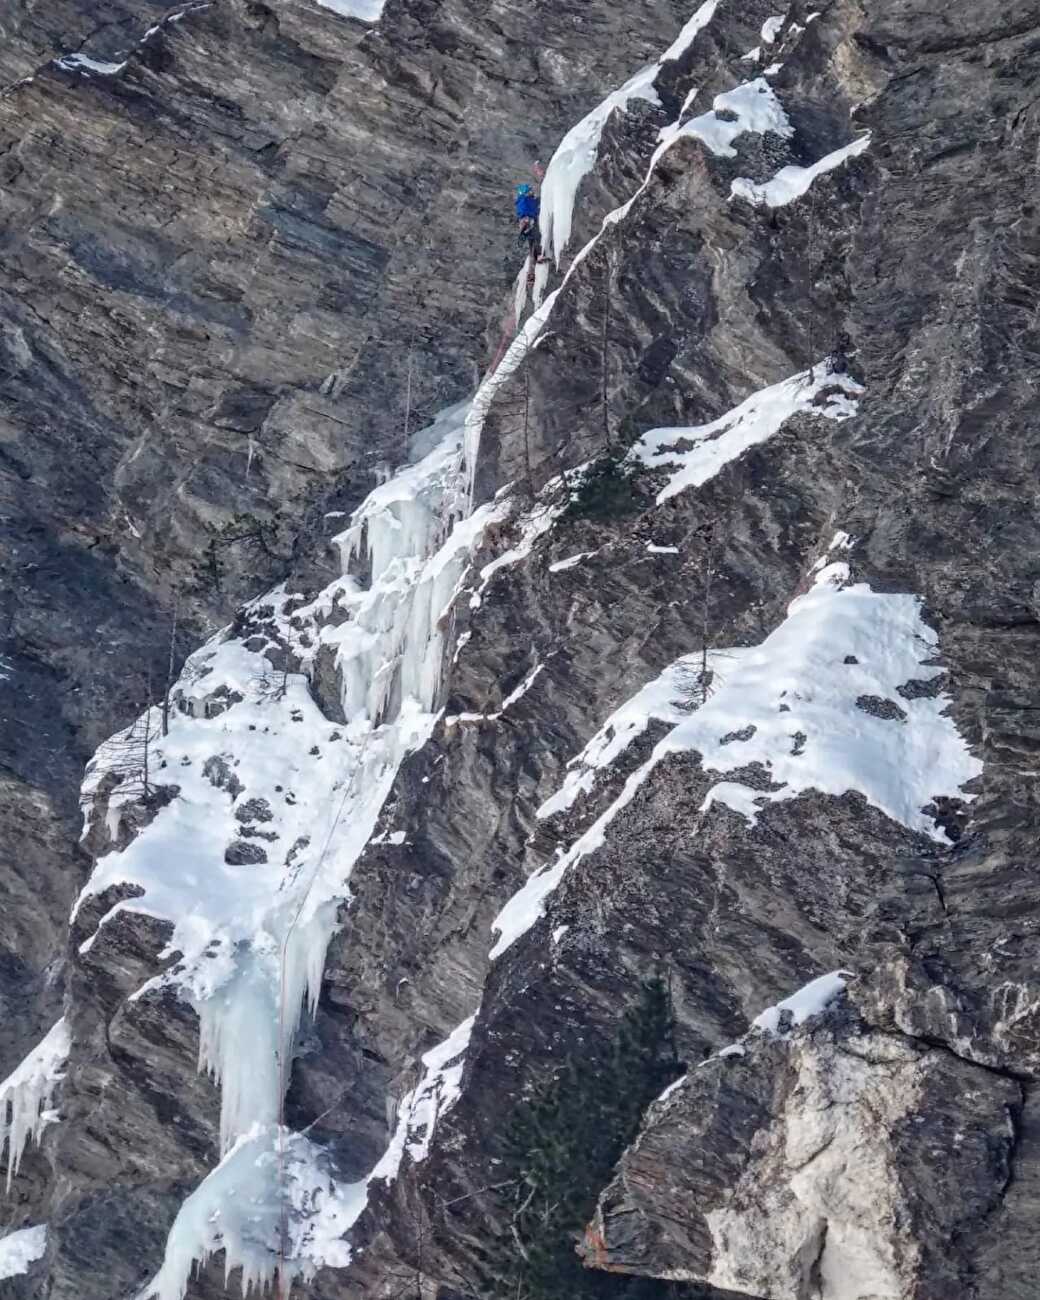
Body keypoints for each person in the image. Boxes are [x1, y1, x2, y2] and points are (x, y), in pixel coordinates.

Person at [515, 183, 541, 256]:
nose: (532, 192)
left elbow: (536, 207)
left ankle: (537, 256)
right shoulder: (524, 199)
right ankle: (524, 230)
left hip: (531, 220)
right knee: (536, 236)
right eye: (530, 191)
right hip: (527, 219)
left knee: (534, 238)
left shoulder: (530, 200)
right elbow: (525, 210)